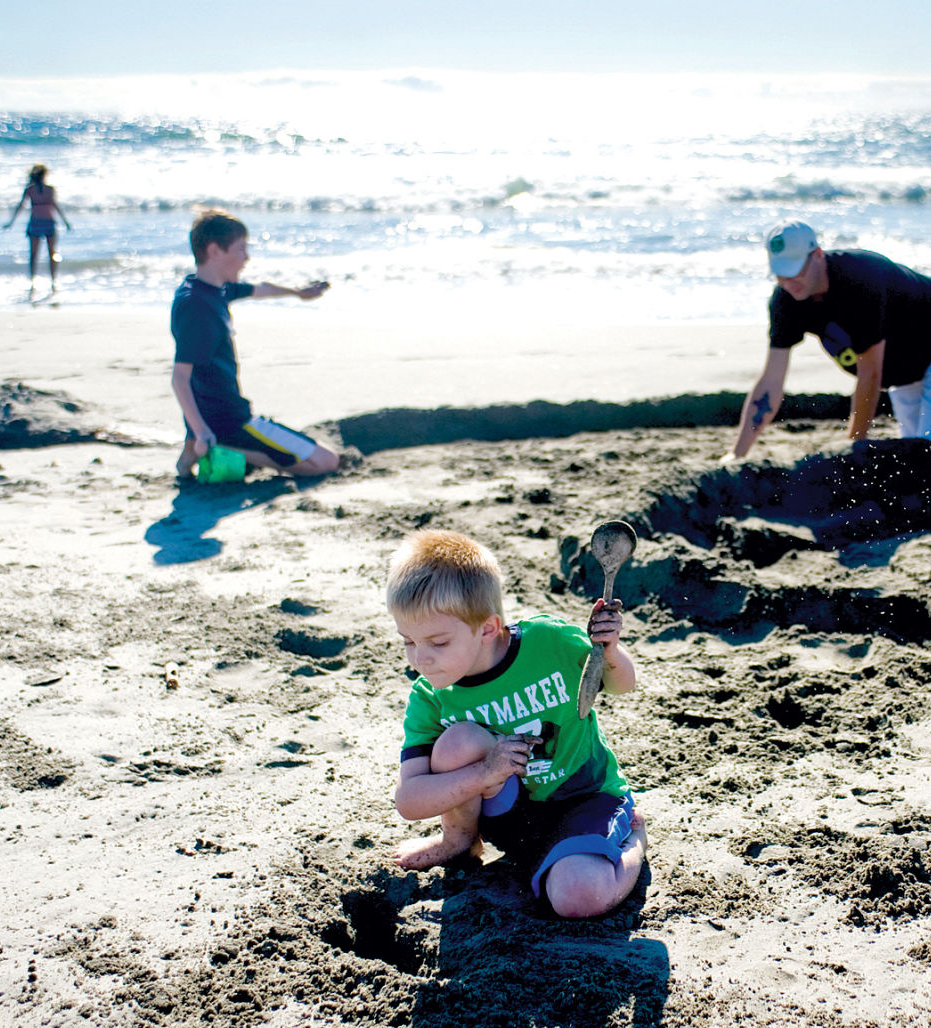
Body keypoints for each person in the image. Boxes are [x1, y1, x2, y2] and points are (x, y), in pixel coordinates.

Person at [387, 530, 646, 919]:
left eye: (438, 643)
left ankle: (634, 837)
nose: (420, 659)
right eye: (408, 641)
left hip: (583, 798)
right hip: (510, 818)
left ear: (488, 628)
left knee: (577, 897)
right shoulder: (432, 697)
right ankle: (459, 842)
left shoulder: (549, 643)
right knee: (458, 742)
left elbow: (621, 685)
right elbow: (410, 801)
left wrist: (609, 651)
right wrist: (485, 772)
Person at [726, 220, 931, 460]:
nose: (789, 282)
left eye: (795, 271)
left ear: (818, 255)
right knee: (918, 447)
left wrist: (855, 446)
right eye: (780, 274)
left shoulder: (858, 281)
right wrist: (738, 453)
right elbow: (771, 381)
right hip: (905, 362)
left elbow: (870, 374)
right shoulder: (786, 300)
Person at [169, 209, 341, 480]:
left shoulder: (213, 288)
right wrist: (201, 430)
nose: (246, 257)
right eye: (241, 249)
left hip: (220, 415)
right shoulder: (197, 307)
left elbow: (260, 289)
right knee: (326, 461)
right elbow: (180, 377)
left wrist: (298, 293)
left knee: (316, 456)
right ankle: (215, 445)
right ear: (214, 251)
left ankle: (197, 446)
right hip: (230, 422)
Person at [2, 164, 71, 293]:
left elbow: (22, 206)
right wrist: (11, 222)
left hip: (44, 223)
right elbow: (22, 206)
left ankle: (48, 280)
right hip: (42, 223)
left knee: (40, 254)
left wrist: (65, 221)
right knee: (46, 254)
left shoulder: (40, 189)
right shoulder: (36, 189)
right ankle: (41, 281)